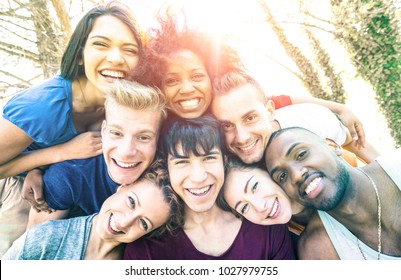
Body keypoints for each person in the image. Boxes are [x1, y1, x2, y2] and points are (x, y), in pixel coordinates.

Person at [0, 1, 143, 257]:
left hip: (43, 171)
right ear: (80, 54)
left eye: (129, 49)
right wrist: (59, 154)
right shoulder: (43, 106)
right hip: (13, 179)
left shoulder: (122, 103)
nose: (116, 58)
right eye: (101, 44)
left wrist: (40, 168)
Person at [133, 11, 366, 149]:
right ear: (158, 87)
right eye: (171, 81)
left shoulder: (225, 105)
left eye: (197, 76)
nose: (187, 88)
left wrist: (340, 108)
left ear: (212, 76)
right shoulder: (160, 123)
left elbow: (281, 100)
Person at [123, 114, 295, 260]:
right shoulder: (146, 248)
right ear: (166, 169)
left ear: (223, 161)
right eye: (182, 162)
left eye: (209, 158)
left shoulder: (265, 221)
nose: (199, 177)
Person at [27, 80, 167, 229]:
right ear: (103, 131)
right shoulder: (69, 175)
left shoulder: (171, 178)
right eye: (116, 133)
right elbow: (32, 245)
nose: (126, 152)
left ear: (158, 140)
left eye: (143, 137)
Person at [264, 126, 401, 260]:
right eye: (282, 176)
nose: (296, 176)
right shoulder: (318, 251)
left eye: (301, 154)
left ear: (332, 146)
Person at [2, 160, 179, 260]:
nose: (125, 221)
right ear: (123, 187)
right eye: (131, 201)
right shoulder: (46, 237)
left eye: (143, 223)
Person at [211, 71, 380, 166]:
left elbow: (354, 142)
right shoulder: (224, 164)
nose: (241, 137)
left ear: (270, 111)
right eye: (226, 125)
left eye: (250, 118)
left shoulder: (306, 120)